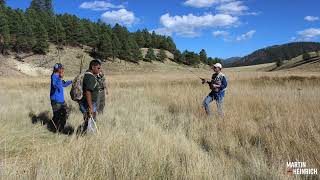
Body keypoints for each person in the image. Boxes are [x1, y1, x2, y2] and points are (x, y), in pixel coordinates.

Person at [78, 59, 101, 133]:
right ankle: (86, 136)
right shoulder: (90, 77)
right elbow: (88, 92)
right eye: (98, 68)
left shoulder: (86, 74)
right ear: (93, 67)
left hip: (85, 102)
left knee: (87, 120)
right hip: (88, 103)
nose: (99, 70)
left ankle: (84, 135)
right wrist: (90, 106)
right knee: (90, 120)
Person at [50, 63, 72, 132]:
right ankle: (55, 129)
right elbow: (55, 85)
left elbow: (64, 84)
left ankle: (59, 127)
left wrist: (72, 81)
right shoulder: (54, 76)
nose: (63, 70)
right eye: (62, 69)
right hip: (56, 100)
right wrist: (60, 77)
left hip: (61, 100)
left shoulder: (58, 76)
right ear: (58, 69)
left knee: (66, 112)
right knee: (57, 115)